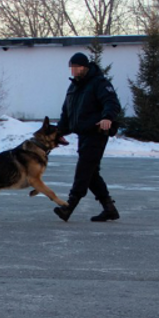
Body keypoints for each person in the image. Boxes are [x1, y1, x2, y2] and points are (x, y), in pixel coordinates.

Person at [53, 52, 122, 223]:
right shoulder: (73, 87)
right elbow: (66, 113)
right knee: (91, 173)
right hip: (83, 134)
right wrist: (58, 133)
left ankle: (68, 206)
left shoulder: (99, 83)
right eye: (72, 68)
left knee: (84, 169)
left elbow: (111, 102)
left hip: (96, 133)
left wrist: (107, 117)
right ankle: (109, 208)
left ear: (85, 67)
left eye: (76, 68)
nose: (73, 71)